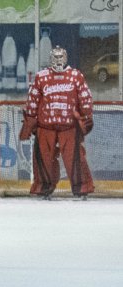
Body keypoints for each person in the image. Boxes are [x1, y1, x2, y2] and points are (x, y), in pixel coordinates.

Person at [19, 46, 94, 200]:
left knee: (75, 158)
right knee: (43, 159)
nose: (58, 60)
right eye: (55, 57)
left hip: (69, 126)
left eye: (61, 57)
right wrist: (31, 120)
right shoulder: (41, 76)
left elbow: (85, 97)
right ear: (50, 58)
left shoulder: (76, 76)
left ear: (65, 58)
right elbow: (33, 99)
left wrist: (86, 116)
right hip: (45, 126)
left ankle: (82, 188)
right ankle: (43, 187)